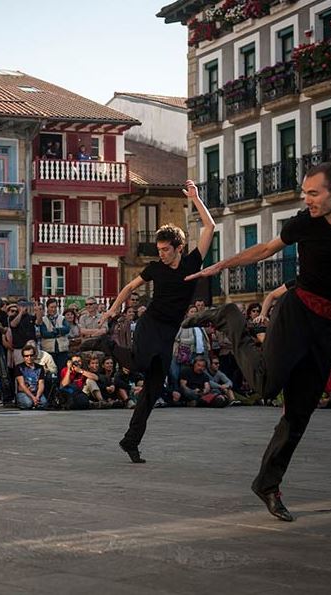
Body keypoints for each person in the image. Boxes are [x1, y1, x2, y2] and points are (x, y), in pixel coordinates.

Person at [182, 81, 331, 522]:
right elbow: (264, 250)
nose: (307, 199)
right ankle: (229, 316)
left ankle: (268, 484)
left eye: (313, 193)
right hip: (297, 313)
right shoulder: (304, 222)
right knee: (264, 387)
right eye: (304, 193)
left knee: (300, 412)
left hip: (327, 328)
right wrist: (220, 267)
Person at [100, 179, 215, 464]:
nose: (161, 253)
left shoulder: (191, 263)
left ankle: (131, 441)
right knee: (140, 362)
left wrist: (196, 199)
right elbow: (129, 288)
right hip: (151, 324)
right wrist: (113, 309)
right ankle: (106, 344)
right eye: (159, 249)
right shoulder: (155, 269)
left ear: (179, 247)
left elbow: (209, 227)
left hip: (169, 332)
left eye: (165, 249)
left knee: (152, 390)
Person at [14, 344, 46, 410]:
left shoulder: (40, 367)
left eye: (31, 355)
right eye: (26, 356)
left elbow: (41, 383)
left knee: (43, 403)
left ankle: (34, 403)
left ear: (34, 356)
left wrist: (37, 396)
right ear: (23, 357)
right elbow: (22, 385)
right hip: (24, 392)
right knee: (28, 403)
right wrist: (33, 398)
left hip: (36, 392)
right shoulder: (19, 367)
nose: (29, 357)